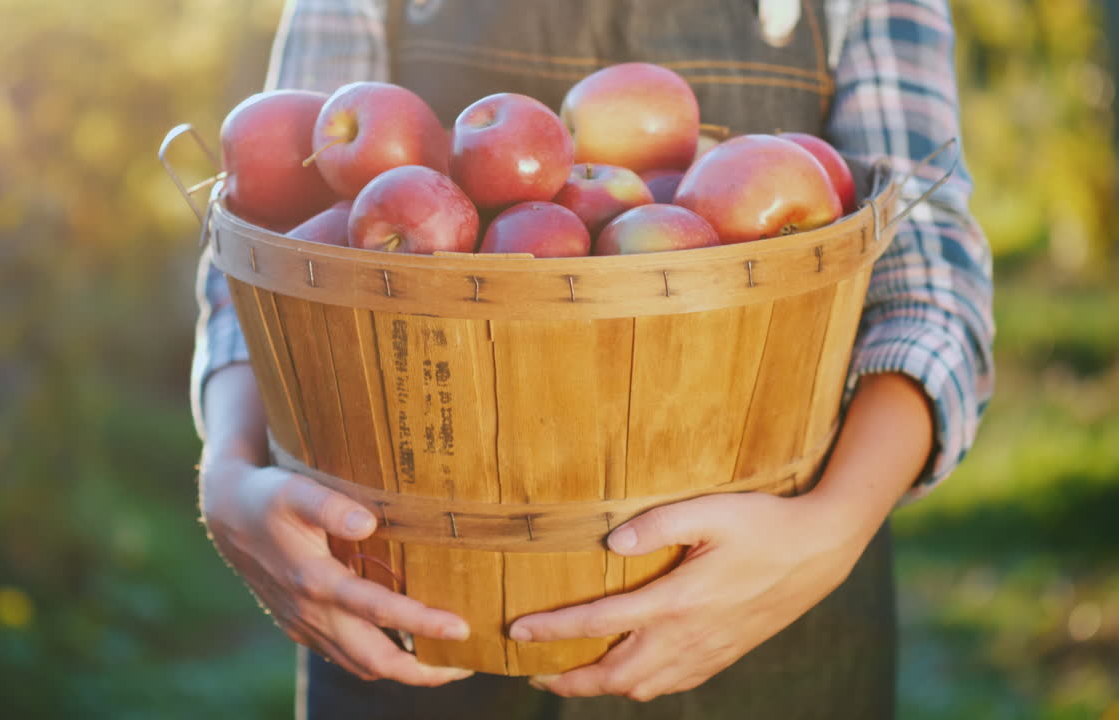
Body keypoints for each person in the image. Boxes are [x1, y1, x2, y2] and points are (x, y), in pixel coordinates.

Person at [191, 0, 994, 717]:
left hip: (767, 608)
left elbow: (925, 270)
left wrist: (832, 526)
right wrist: (228, 468)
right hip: (398, 613)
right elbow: (273, 231)